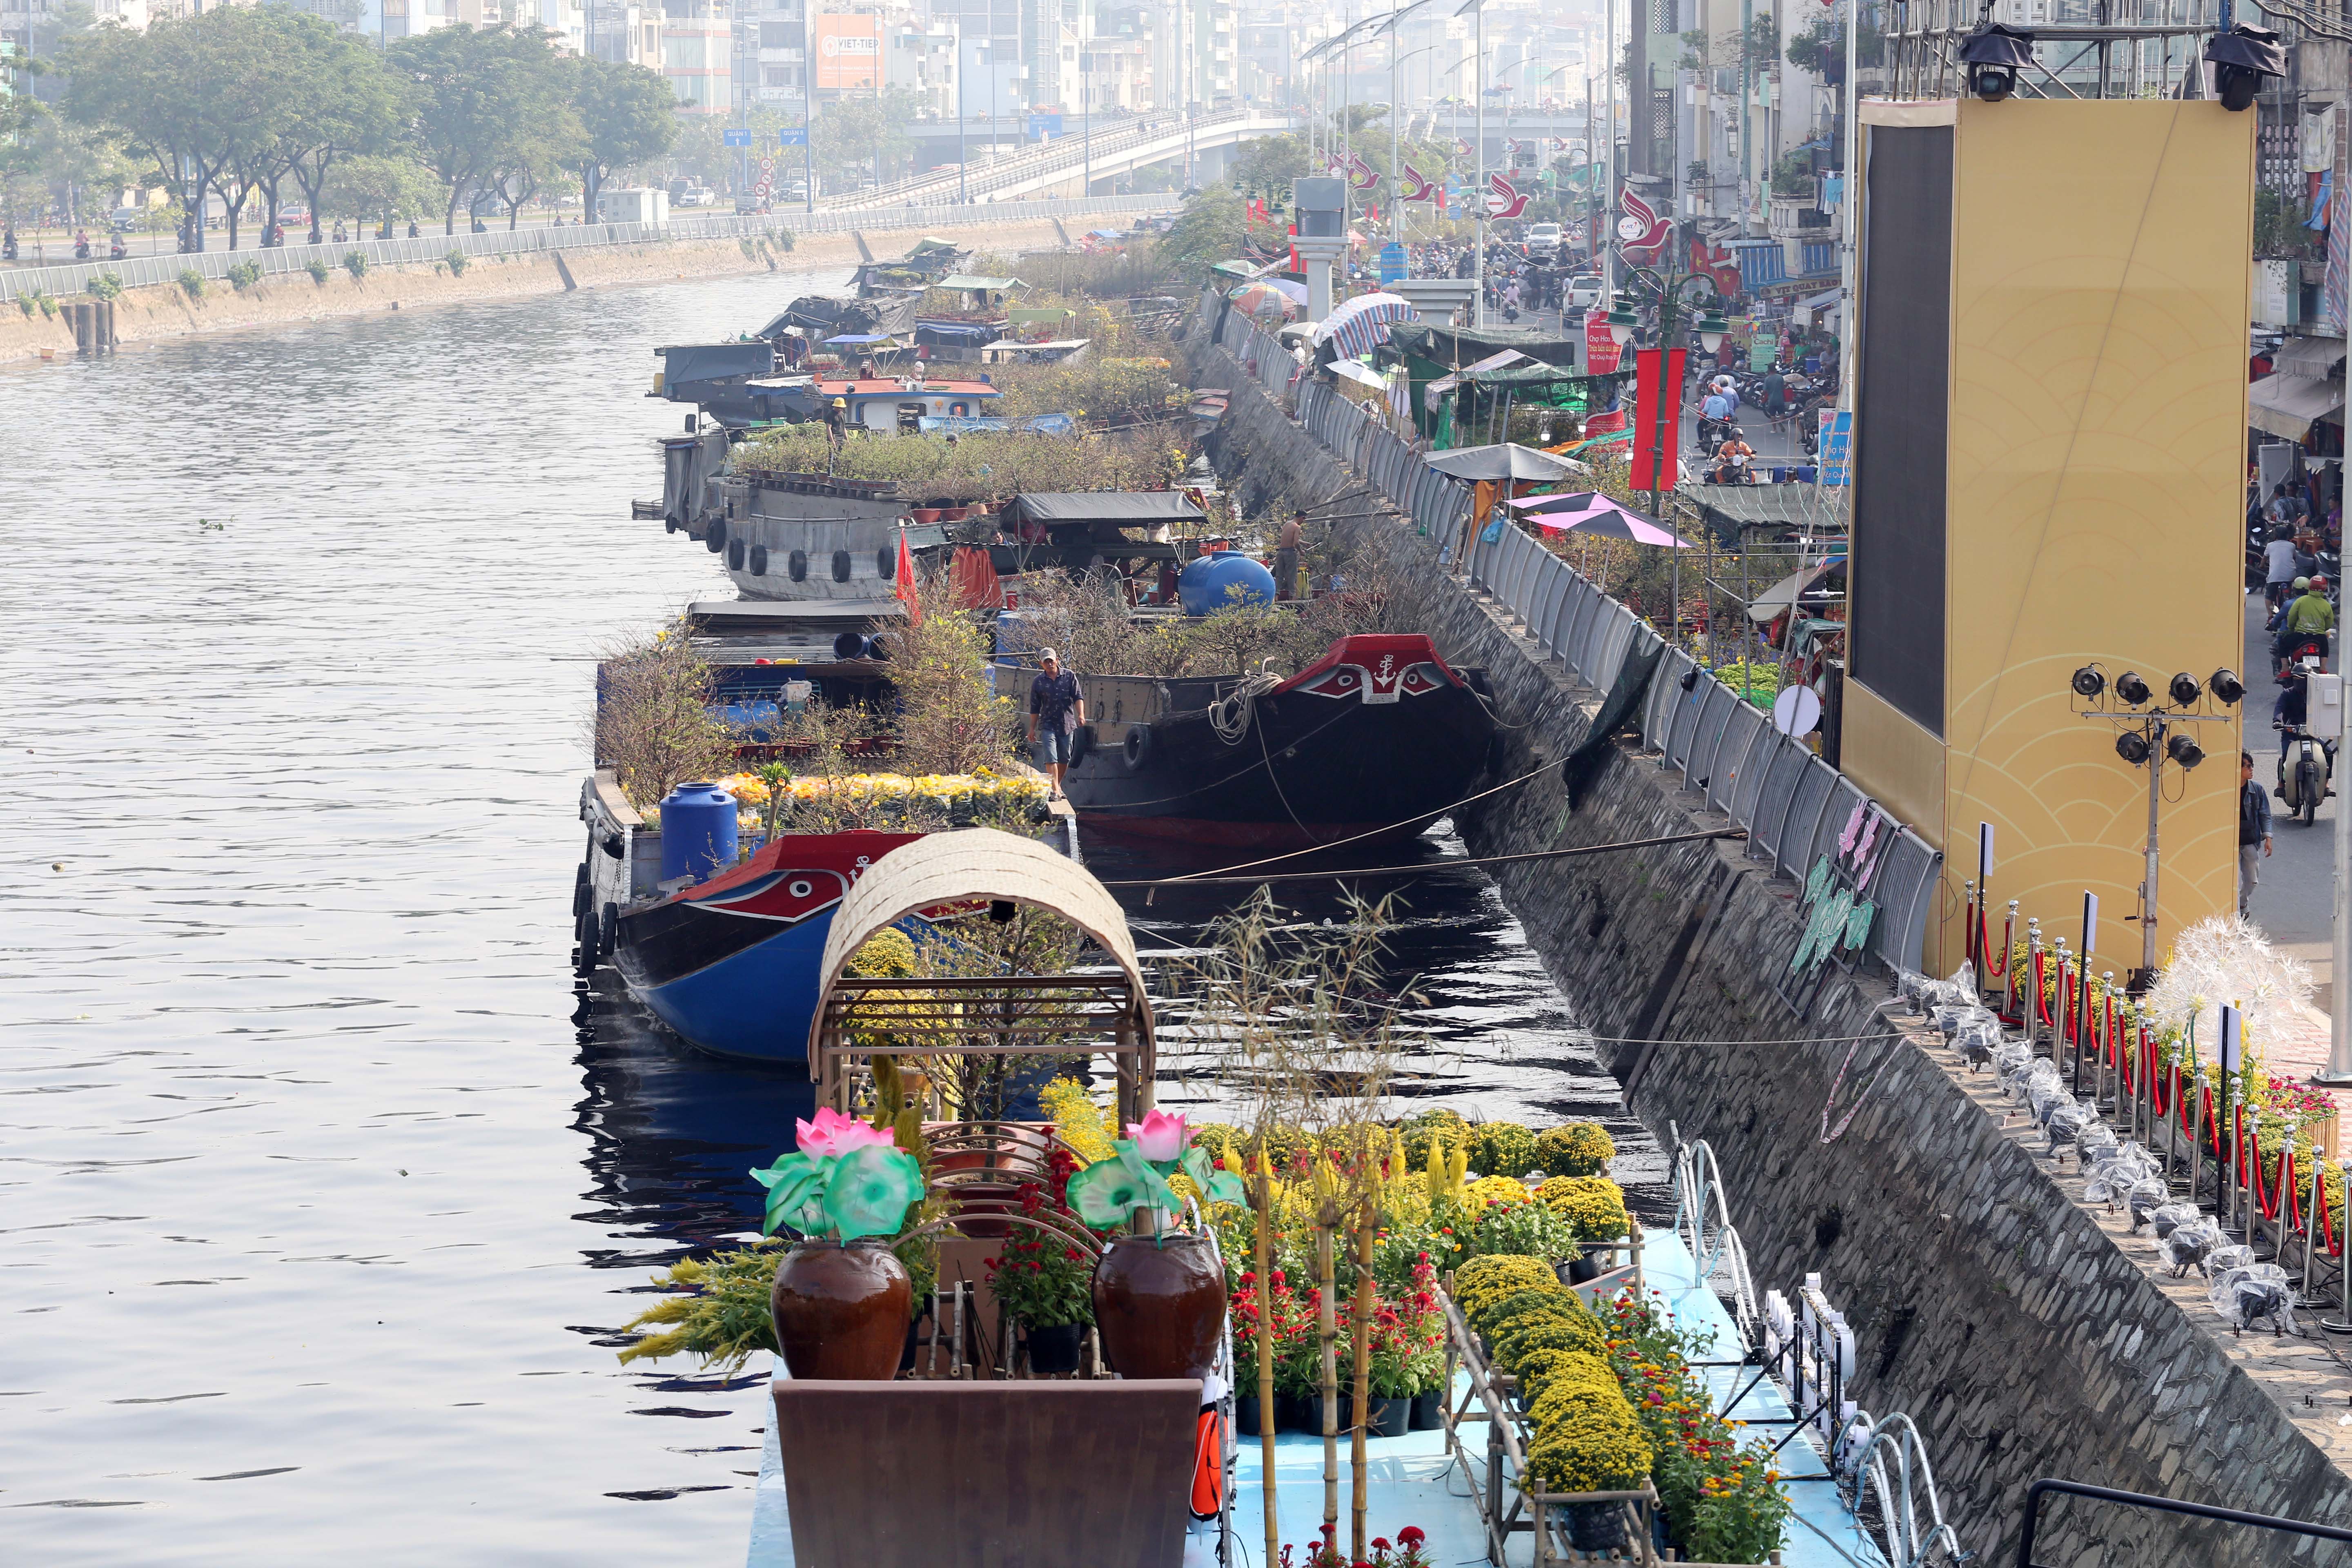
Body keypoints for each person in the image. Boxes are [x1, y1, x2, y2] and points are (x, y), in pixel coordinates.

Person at [1026, 648, 1085, 801]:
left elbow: (1078, 697)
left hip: (1067, 723)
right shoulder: (1039, 682)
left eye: (1051, 660)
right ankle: (1055, 790)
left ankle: (1057, 785)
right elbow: (1034, 708)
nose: (1050, 664)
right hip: (1048, 724)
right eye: (1046, 662)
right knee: (1050, 756)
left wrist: (1081, 715)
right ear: (1042, 664)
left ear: (1057, 660)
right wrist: (1032, 729)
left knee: (1065, 757)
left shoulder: (1069, 676)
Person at [2239, 751, 2273, 918]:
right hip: (2228, 842)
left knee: (2252, 880)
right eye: (2248, 766)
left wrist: (2268, 838)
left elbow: (2265, 815)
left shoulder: (2257, 790)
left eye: (2252, 766)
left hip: (2250, 841)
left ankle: (2241, 902)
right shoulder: (2226, 790)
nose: (2251, 769)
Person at [2265, 527, 2300, 612]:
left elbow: (2264, 558)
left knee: (2269, 597)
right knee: (2291, 590)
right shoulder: (2292, 545)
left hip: (2275, 577)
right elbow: (2294, 557)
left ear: (2275, 535)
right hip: (2290, 575)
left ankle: (2270, 616)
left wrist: (2262, 566)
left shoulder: (2270, 546)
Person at [1275, 509, 1305, 601]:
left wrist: (1305, 543)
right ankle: (1292, 597)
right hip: (1290, 553)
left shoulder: (1287, 524)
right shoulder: (1297, 527)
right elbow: (1296, 543)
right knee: (1291, 575)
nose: (1304, 522)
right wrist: (1301, 552)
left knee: (1279, 575)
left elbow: (1289, 538)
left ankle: (1276, 596)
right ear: (1302, 518)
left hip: (1280, 552)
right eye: (1304, 519)